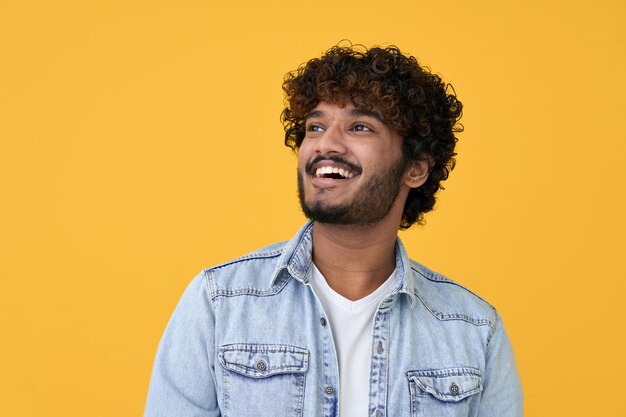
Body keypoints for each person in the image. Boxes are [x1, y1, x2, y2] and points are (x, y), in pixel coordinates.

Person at [144, 43, 523, 417]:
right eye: (315, 126)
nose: (325, 143)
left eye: (360, 127)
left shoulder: (474, 331)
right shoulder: (220, 303)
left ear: (416, 168)